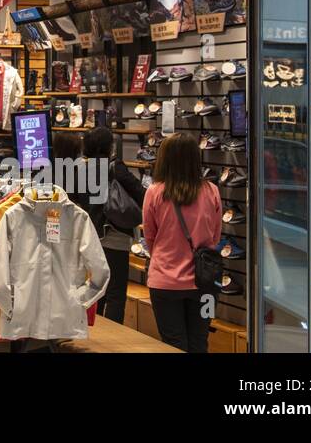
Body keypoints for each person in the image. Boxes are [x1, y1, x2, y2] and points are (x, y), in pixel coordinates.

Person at [142, 132, 222, 351]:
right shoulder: (212, 191)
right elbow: (215, 236)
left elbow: (150, 237)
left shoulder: (154, 192)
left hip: (165, 281)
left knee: (173, 344)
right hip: (205, 283)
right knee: (200, 341)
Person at [81, 126, 146, 323]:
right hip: (114, 235)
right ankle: (113, 337)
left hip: (91, 236)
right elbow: (140, 193)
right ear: (109, 146)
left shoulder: (82, 169)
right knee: (116, 293)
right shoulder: (115, 167)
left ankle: (95, 330)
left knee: (97, 289)